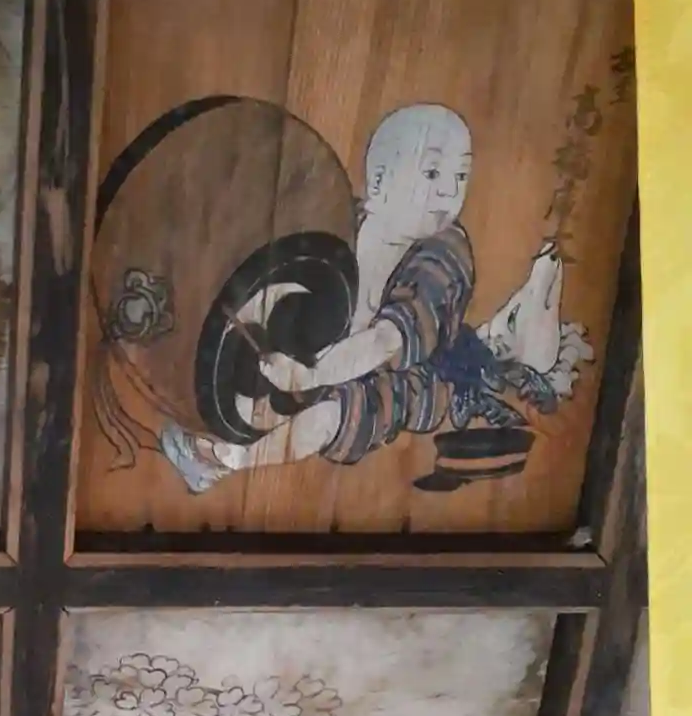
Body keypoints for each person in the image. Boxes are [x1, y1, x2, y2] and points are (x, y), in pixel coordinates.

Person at [158, 105, 589, 489]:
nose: (449, 192)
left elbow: (385, 341)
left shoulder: (444, 255)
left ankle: (228, 461)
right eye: (432, 174)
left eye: (460, 177)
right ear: (379, 183)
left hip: (407, 373)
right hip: (321, 349)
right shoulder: (344, 219)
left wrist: (312, 375)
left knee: (331, 416)